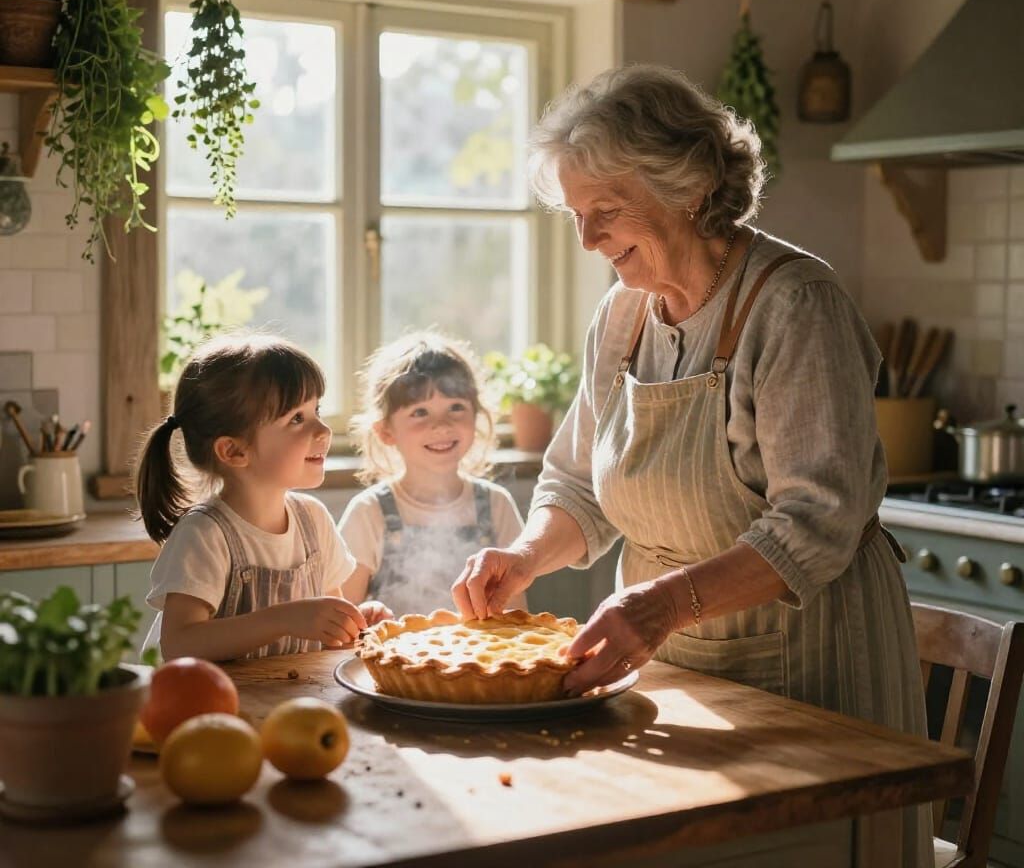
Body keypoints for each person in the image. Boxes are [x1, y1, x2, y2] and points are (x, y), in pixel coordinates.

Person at [452, 65, 930, 867]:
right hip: (677, 668)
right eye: (576, 215)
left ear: (689, 186)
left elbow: (817, 525)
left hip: (808, 672)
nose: (587, 240)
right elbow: (578, 481)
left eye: (604, 212)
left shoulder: (793, 305)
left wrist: (664, 604)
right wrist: (527, 556)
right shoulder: (624, 312)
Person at [136, 333, 390, 661]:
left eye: (316, 411)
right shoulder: (204, 534)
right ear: (234, 450)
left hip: (287, 700)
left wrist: (355, 625)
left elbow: (330, 638)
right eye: (297, 419)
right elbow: (180, 644)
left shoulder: (314, 520)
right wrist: (283, 619)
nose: (323, 431)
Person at [339, 331, 526, 618]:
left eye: (456, 408)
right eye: (420, 412)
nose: (441, 425)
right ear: (386, 431)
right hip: (395, 661)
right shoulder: (367, 513)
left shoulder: (497, 505)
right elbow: (343, 623)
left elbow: (516, 618)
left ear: (476, 416)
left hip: (479, 661)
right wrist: (366, 617)